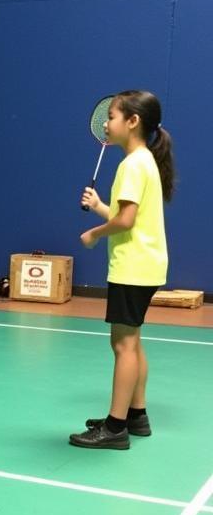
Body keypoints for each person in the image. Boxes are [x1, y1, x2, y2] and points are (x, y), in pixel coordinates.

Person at [72, 90, 175, 450]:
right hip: (146, 264)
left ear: (133, 122)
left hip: (133, 266)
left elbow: (126, 221)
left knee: (123, 344)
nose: (106, 122)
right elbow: (130, 217)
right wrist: (102, 207)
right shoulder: (144, 160)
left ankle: (115, 428)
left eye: (112, 116)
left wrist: (94, 234)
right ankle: (136, 415)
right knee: (133, 340)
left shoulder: (131, 164)